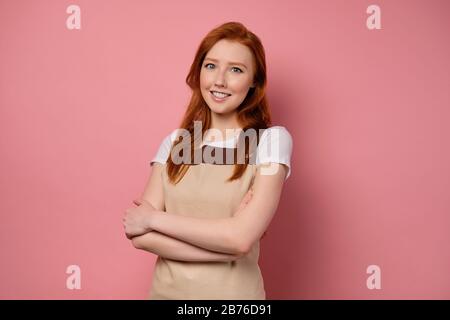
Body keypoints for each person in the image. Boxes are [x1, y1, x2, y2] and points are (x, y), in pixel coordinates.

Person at [123, 21, 293, 300]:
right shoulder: (175, 142)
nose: (219, 81)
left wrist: (154, 218)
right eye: (211, 65)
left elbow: (240, 239)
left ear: (254, 82)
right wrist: (226, 247)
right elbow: (140, 236)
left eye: (236, 69)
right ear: (198, 71)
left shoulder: (271, 141)